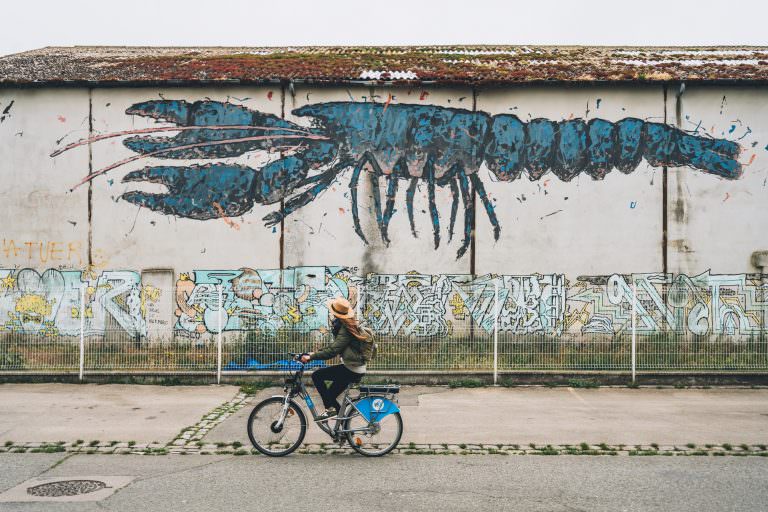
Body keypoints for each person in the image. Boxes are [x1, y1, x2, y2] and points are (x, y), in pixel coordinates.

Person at [300, 296, 370, 421]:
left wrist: (311, 357)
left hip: (351, 368)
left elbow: (333, 351)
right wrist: (313, 353)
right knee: (330, 395)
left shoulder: (345, 328)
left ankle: (330, 410)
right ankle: (342, 430)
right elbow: (335, 346)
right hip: (353, 367)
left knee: (317, 376)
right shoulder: (347, 325)